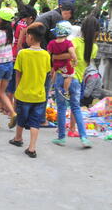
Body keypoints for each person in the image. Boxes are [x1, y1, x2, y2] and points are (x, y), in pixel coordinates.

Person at [51, 16, 99, 148]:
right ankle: (84, 138)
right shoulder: (94, 48)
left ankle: (61, 138)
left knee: (61, 108)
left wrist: (54, 57)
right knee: (76, 108)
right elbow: (84, 61)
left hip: (63, 77)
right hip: (77, 80)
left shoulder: (74, 42)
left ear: (82, 28)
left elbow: (59, 56)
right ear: (96, 31)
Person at [9, 22, 51, 158]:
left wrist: (16, 91)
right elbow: (45, 74)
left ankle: (18, 138)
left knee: (21, 118)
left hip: (24, 94)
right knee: (35, 122)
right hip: (39, 95)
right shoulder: (46, 55)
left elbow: (18, 75)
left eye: (26, 35)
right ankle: (32, 148)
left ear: (31, 37)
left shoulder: (22, 54)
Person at [47, 20, 77, 100]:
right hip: (66, 65)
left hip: (56, 64)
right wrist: (75, 60)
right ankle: (65, 91)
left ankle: (53, 86)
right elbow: (72, 53)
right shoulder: (68, 43)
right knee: (69, 76)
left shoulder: (52, 43)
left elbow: (48, 54)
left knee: (56, 72)